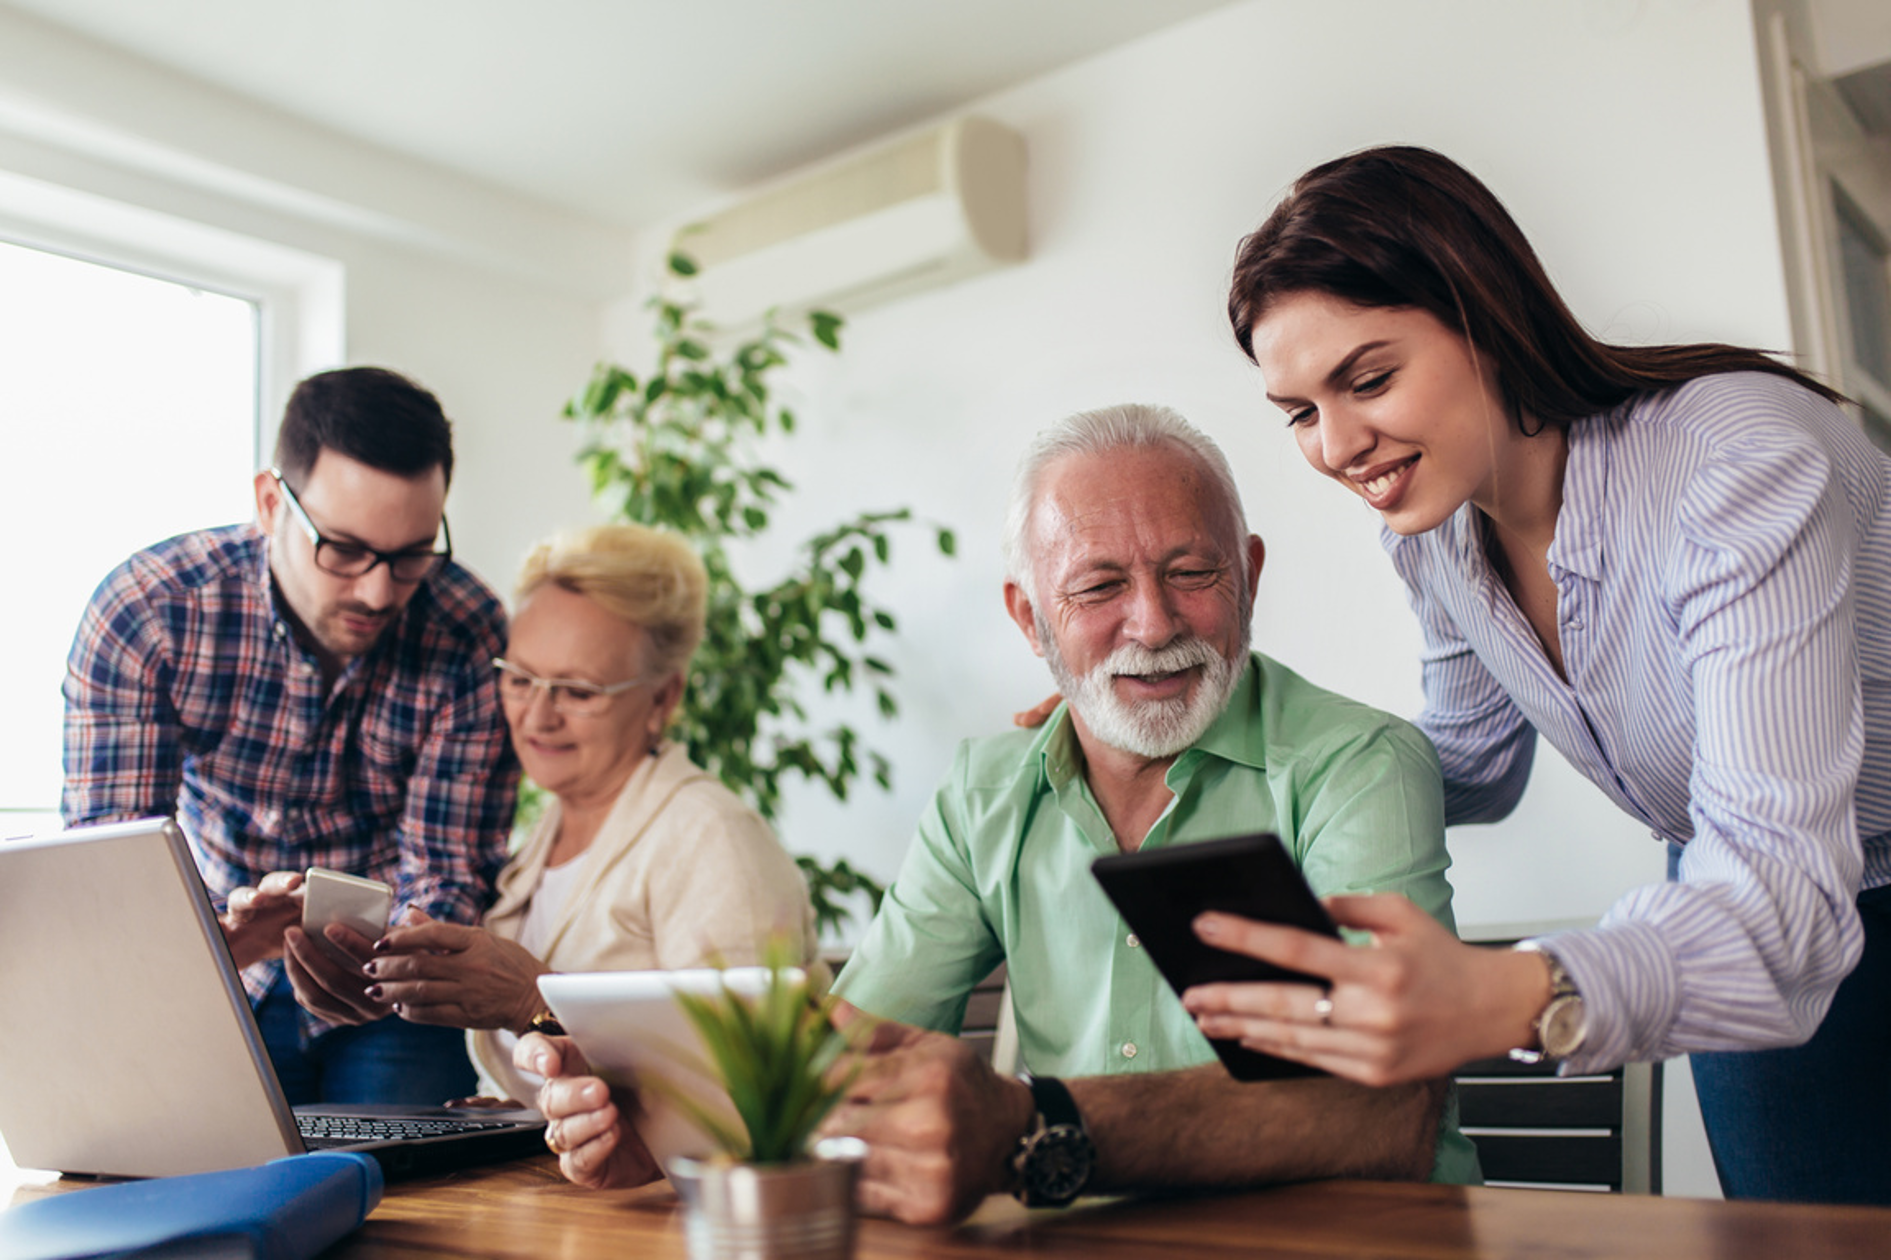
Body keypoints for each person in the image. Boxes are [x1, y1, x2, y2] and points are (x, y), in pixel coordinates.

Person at [520, 404, 1479, 1222]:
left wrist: (1032, 1123)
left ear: (1250, 576)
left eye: (1192, 572)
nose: (1152, 623)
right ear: (1029, 619)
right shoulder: (987, 791)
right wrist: (669, 1126)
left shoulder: (1359, 765)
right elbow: (848, 1053)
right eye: (1099, 586)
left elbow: (1386, 1112)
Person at [1187, 143, 1891, 1206]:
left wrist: (1510, 990)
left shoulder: (1737, 466)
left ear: (1483, 316)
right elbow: (1467, 763)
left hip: (1779, 882)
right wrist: (1203, 741)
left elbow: (1782, 889)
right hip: (1739, 878)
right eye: (1298, 411)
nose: (1334, 447)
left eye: (1367, 378)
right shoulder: (1433, 541)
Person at [62, 366, 519, 1106]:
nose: (378, 592)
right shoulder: (149, 613)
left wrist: (380, 955)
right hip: (213, 966)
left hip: (394, 985)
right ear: (271, 503)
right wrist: (226, 941)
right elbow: (118, 878)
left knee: (412, 1206)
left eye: (410, 555)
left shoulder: (467, 630)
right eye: (343, 549)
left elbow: (449, 870)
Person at [358, 522, 820, 1103]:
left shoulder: (711, 838)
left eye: (577, 692)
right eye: (521, 680)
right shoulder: (538, 847)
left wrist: (533, 1001)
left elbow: (751, 1085)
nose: (537, 716)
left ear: (662, 699)